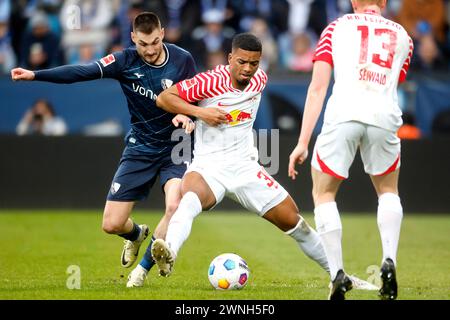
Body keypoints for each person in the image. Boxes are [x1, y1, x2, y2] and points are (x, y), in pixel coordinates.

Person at [11, 12, 226, 288]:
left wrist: (189, 116)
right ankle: (136, 235)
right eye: (143, 44)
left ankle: (143, 269)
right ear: (133, 38)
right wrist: (34, 74)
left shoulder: (183, 58)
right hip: (140, 146)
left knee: (175, 205)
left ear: (162, 33)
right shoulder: (124, 60)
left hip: (177, 146)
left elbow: (199, 98)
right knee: (112, 224)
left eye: (155, 42)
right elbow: (82, 71)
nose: (149, 50)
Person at [150, 33, 375, 292]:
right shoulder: (209, 81)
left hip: (246, 168)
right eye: (242, 62)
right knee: (189, 199)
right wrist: (200, 112)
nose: (247, 69)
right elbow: (164, 98)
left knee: (295, 222)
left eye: (254, 63)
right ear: (230, 58)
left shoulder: (260, 80)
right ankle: (170, 253)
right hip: (209, 166)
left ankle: (341, 276)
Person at [288, 0, 413, 300]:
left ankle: (337, 275)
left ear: (353, 1)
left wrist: (303, 141)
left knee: (324, 193)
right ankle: (389, 260)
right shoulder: (404, 37)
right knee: (388, 191)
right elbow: (395, 82)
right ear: (383, 2)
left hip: (344, 113)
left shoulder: (335, 28)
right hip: (384, 115)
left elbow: (318, 87)